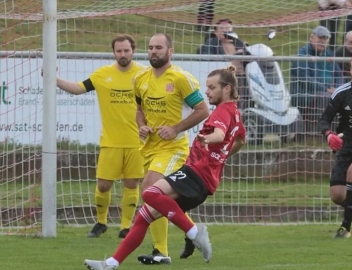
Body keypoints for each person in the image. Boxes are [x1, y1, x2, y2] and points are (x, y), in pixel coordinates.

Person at [84, 65, 247, 270]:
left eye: (212, 87)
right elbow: (240, 140)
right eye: (207, 87)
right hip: (204, 179)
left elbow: (220, 135)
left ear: (226, 89)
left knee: (150, 193)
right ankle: (111, 263)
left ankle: (194, 232)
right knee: (144, 216)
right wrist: (221, 156)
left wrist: (207, 139)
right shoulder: (235, 113)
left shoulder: (221, 111)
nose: (207, 92)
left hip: (196, 173)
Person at [41, 35, 146, 239]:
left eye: (126, 50)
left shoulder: (144, 74)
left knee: (132, 184)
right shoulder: (102, 74)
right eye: (119, 51)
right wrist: (53, 79)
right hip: (110, 142)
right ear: (113, 52)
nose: (123, 54)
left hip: (137, 142)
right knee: (103, 185)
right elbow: (79, 88)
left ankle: (125, 227)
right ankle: (101, 222)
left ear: (133, 50)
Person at [134, 33, 209, 264]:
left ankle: (161, 252)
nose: (153, 51)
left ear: (170, 51)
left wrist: (176, 128)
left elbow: (203, 110)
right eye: (150, 47)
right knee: (162, 199)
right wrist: (142, 126)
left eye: (158, 47)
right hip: (149, 147)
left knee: (150, 189)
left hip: (173, 148)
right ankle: (192, 232)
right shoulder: (140, 79)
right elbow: (139, 110)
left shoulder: (180, 78)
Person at [317, 54, 352, 238]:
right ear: (350, 70)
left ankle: (345, 228)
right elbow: (323, 120)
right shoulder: (342, 93)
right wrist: (328, 134)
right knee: (337, 196)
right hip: (346, 144)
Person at [290, 25, 343, 134]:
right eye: (320, 38)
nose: (323, 41)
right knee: (325, 98)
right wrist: (326, 89)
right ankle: (315, 134)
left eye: (325, 39)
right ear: (311, 38)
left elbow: (339, 75)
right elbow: (304, 78)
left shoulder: (329, 54)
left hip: (328, 92)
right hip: (305, 94)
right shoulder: (302, 54)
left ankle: (338, 133)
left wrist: (337, 89)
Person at [199, 19, 248, 109]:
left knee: (242, 96)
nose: (225, 30)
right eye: (222, 28)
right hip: (223, 77)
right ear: (216, 31)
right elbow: (206, 59)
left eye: (228, 28)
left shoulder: (239, 43)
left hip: (241, 76)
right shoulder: (211, 43)